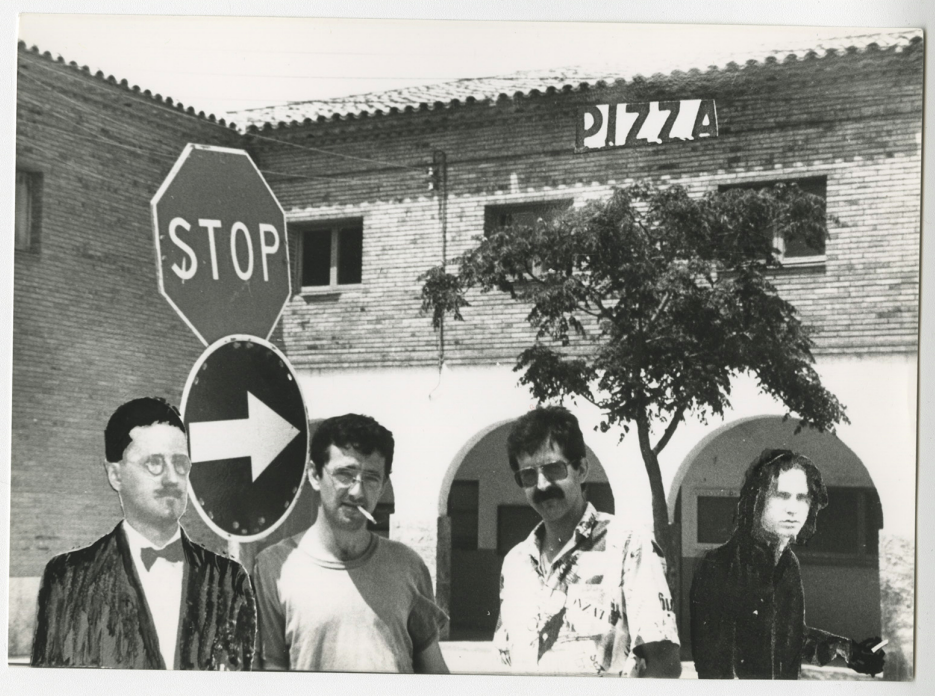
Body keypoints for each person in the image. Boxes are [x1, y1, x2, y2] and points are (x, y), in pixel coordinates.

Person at [31, 397, 257, 669]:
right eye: (154, 463)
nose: (172, 478)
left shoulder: (229, 581)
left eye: (180, 464)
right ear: (115, 475)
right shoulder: (68, 578)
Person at [493, 406, 681, 677]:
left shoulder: (628, 545)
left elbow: (663, 661)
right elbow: (504, 662)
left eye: (554, 469)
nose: (542, 485)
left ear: (581, 469)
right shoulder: (516, 563)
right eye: (529, 475)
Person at [253, 413, 449, 673]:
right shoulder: (273, 567)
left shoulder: (408, 565)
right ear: (314, 475)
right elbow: (270, 673)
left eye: (371, 478)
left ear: (382, 486)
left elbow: (435, 675)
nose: (358, 491)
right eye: (345, 474)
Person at [690, 448, 886, 679]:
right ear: (758, 498)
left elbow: (791, 637)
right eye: (782, 495)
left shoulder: (788, 564)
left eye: (802, 498)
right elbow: (715, 667)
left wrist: (849, 650)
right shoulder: (719, 565)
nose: (793, 509)